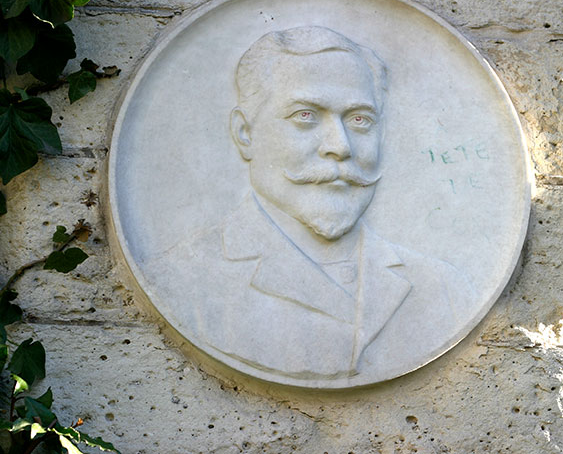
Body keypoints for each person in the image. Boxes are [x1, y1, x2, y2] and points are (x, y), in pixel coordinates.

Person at [153, 27, 478, 383]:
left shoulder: (445, 290)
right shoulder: (181, 281)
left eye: (359, 120)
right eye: (305, 116)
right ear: (245, 133)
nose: (339, 147)